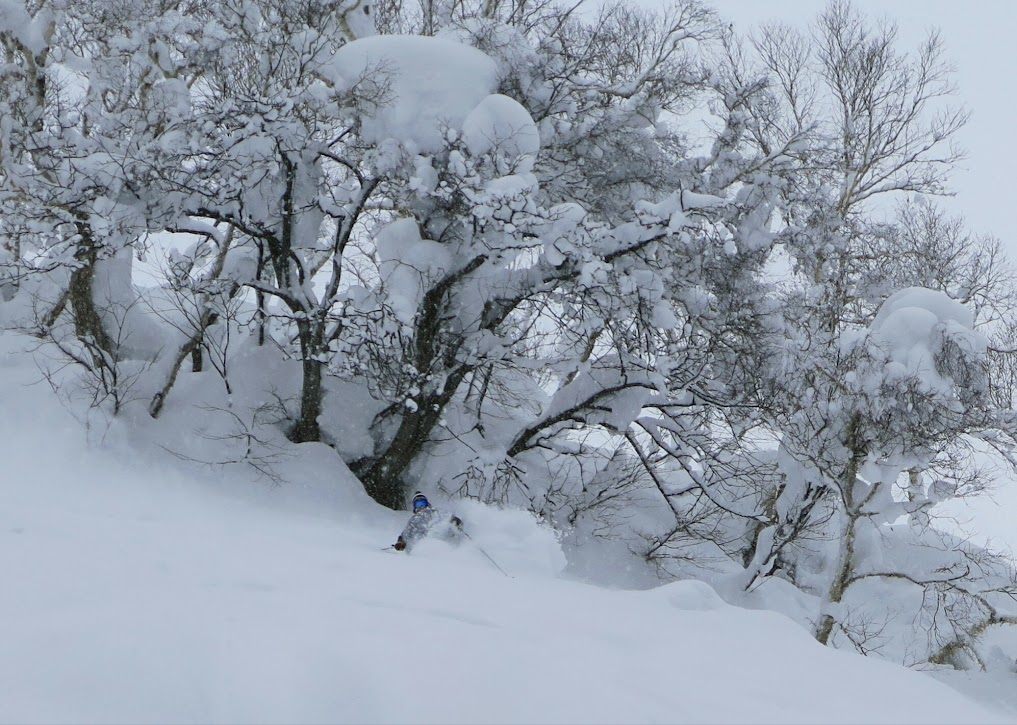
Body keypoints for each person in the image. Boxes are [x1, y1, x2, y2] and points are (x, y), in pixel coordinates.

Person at [393, 492, 463, 552]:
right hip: (425, 545)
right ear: (415, 506)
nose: (421, 506)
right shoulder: (414, 520)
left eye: (423, 503)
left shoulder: (435, 512)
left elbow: (447, 516)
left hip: (442, 541)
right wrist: (401, 542)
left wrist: (455, 520)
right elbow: (406, 533)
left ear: (427, 503)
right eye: (418, 504)